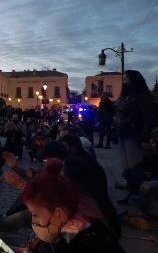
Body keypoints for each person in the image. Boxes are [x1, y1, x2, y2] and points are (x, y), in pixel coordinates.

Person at [21, 160, 124, 253]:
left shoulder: (79, 245)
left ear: (59, 214)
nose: (33, 222)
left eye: (34, 215)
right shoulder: (84, 218)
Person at [115, 70, 155, 204]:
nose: (124, 82)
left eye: (126, 79)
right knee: (127, 168)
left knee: (135, 167)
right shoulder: (128, 97)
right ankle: (132, 193)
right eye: (123, 79)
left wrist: (145, 137)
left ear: (134, 80)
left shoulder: (143, 96)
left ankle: (143, 197)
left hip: (135, 135)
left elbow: (148, 118)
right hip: (124, 134)